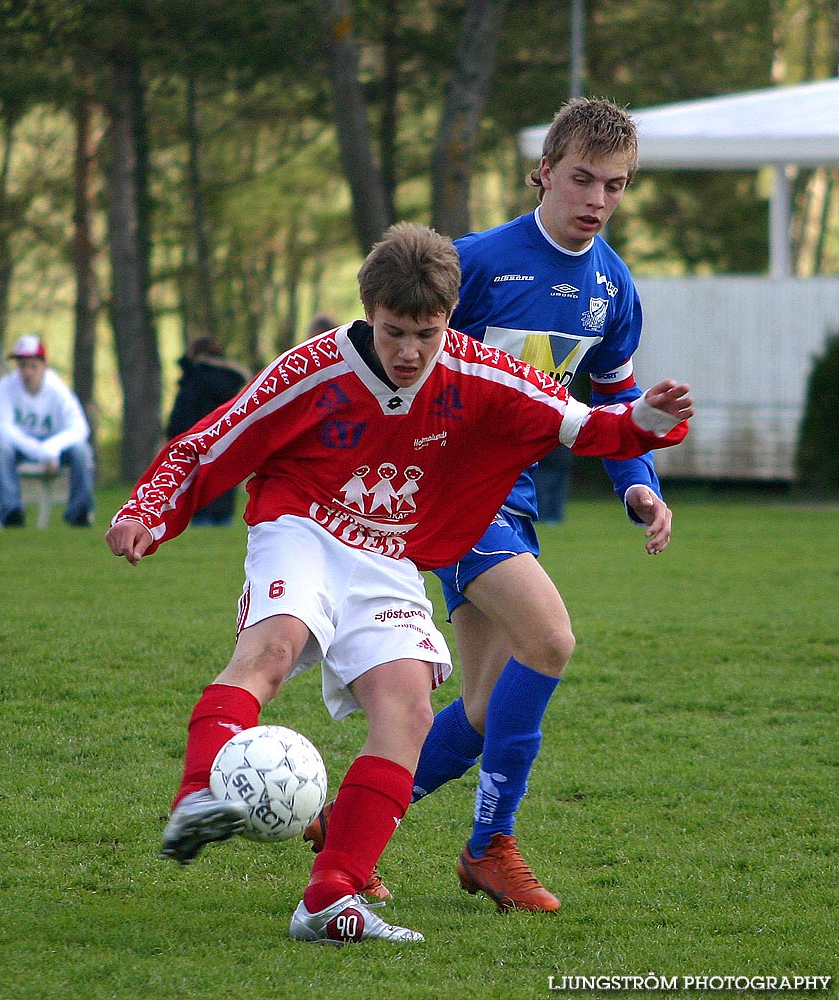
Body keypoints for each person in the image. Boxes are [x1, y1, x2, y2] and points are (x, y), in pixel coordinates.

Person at [105, 222, 692, 944]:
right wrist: (147, 512)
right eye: (392, 333)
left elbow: (581, 422)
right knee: (275, 648)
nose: (410, 351)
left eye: (426, 332)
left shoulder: (477, 371)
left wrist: (644, 423)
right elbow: (214, 440)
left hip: (386, 551)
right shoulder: (312, 368)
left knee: (408, 709)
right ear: (367, 314)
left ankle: (329, 898)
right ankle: (198, 796)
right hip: (303, 526)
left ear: (449, 318)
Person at [308, 98, 672, 914]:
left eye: (614, 186)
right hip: (450, 494)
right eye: (581, 179)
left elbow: (610, 394)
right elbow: (387, 346)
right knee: (549, 639)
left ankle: (347, 828)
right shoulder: (477, 263)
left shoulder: (611, 285)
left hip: (515, 496)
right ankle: (489, 847)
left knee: (479, 709)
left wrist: (638, 482)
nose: (596, 199)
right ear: (543, 171)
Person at [0, 335, 95, 527]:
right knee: (1, 449)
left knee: (81, 451)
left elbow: (79, 427)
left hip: (54, 445)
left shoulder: (57, 389)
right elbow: (5, 429)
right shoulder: (5, 387)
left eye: (33, 366)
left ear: (44, 366)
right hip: (20, 447)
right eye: (22, 366)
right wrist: (41, 452)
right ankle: (11, 513)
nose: (27, 372)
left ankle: (79, 513)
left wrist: (52, 449)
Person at [166, 336, 252, 526]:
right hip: (227, 450)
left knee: (200, 503)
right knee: (222, 498)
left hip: (197, 451)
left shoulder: (193, 381)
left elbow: (180, 421)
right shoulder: (235, 383)